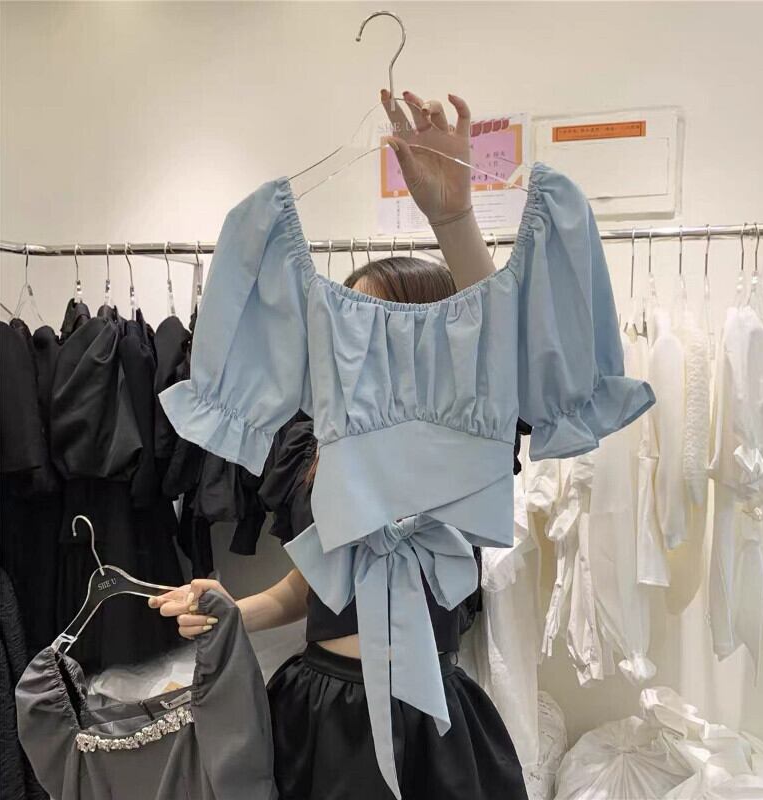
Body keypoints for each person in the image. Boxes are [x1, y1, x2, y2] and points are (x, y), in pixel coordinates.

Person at [151, 90, 527, 799]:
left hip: (429, 723)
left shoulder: (467, 439)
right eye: (348, 327)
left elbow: (499, 346)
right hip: (317, 712)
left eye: (379, 326)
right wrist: (233, 610)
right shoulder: (313, 445)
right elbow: (308, 589)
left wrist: (454, 217)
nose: (357, 347)